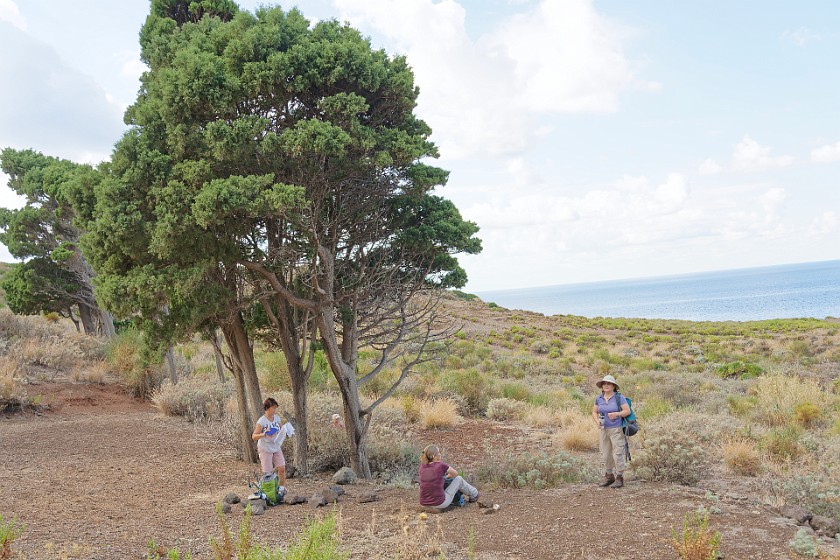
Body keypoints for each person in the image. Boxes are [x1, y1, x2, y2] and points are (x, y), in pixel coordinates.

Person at [591, 374, 631, 489]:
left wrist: (617, 414)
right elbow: (594, 412)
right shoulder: (599, 398)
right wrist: (597, 420)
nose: (606, 385)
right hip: (604, 429)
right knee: (606, 452)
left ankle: (620, 477)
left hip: (616, 429)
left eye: (608, 383)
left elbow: (627, 411)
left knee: (617, 453)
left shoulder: (619, 397)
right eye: (604, 383)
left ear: (613, 386)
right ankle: (609, 476)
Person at [418, 444, 479, 509]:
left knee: (441, 480)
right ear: (433, 456)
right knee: (459, 479)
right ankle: (474, 494)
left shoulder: (422, 467)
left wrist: (445, 478)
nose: (440, 454)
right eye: (438, 452)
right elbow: (455, 473)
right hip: (439, 504)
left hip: (424, 503)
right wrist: (447, 477)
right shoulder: (440, 465)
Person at [252, 397, 294, 488]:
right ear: (267, 408)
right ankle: (269, 492)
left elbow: (281, 429)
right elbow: (254, 436)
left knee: (282, 468)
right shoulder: (261, 421)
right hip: (265, 447)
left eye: (275, 408)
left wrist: (286, 430)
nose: (275, 410)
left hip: (275, 446)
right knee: (268, 473)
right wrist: (264, 434)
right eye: (273, 408)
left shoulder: (277, 419)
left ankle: (281, 489)